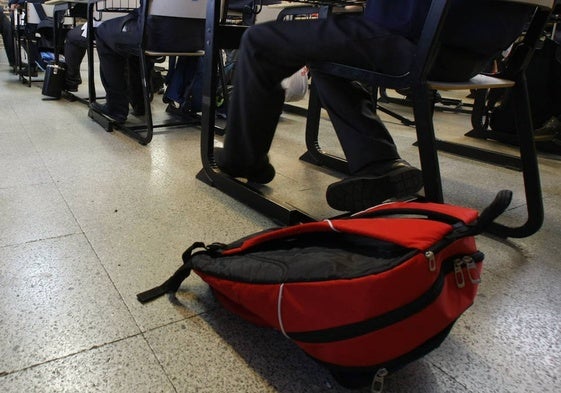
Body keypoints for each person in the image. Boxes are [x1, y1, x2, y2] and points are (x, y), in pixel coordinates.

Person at [215, 0, 532, 212]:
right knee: (323, 49)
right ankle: (377, 162)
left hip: (415, 41)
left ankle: (243, 160)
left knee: (260, 41)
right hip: (471, 55)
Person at [92, 1, 205, 123]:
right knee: (132, 36)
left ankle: (116, 108)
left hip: (156, 36)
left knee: (103, 32)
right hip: (198, 39)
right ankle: (140, 103)